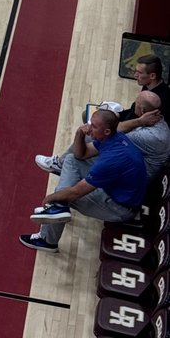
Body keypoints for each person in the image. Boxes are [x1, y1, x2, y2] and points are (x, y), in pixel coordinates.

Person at [19, 108, 147, 252]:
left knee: (61, 197)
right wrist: (79, 133)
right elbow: (80, 155)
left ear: (106, 131)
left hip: (119, 208)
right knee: (70, 160)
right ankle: (58, 209)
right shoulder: (114, 138)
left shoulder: (110, 160)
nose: (89, 128)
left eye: (94, 126)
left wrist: (49, 199)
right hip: (116, 190)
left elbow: (76, 192)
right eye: (90, 123)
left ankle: (47, 241)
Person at [36, 92, 170, 183]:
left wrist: (138, 121)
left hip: (135, 176)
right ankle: (61, 164)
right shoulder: (157, 120)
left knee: (90, 138)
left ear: (143, 111)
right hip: (133, 160)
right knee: (91, 131)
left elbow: (114, 131)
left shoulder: (150, 136)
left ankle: (61, 166)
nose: (134, 103)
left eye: (137, 102)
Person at [118, 57, 170, 124]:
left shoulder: (162, 100)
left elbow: (137, 119)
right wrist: (117, 115)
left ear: (152, 76)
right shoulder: (148, 85)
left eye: (139, 73)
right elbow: (134, 110)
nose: (135, 75)